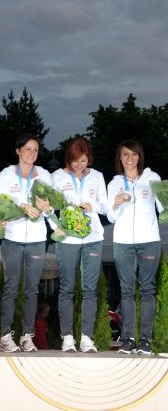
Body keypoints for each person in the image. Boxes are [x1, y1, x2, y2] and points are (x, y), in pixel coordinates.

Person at [48, 137, 106, 352]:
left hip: (93, 238)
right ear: (68, 160)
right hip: (68, 239)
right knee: (67, 288)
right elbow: (47, 207)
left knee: (90, 289)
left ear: (88, 158)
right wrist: (55, 227)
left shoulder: (98, 177)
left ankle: (87, 338)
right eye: (75, 161)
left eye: (83, 161)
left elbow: (106, 207)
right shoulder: (56, 177)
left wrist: (93, 206)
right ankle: (67, 338)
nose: (79, 166)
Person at [0, 133, 52, 352]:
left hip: (37, 240)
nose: (31, 153)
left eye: (35, 150)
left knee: (31, 290)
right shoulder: (6, 174)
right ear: (18, 150)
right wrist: (21, 206)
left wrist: (47, 209)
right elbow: (0, 205)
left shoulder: (45, 175)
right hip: (12, 237)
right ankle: (4, 336)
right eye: (27, 149)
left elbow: (50, 210)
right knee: (10, 288)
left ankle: (27, 336)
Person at [107, 140, 162, 355]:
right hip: (122, 242)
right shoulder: (114, 184)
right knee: (127, 291)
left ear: (140, 157)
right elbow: (111, 216)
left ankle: (145, 340)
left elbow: (163, 208)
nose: (129, 159)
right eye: (125, 155)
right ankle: (128, 338)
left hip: (149, 240)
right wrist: (117, 203)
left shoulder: (152, 179)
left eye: (133, 155)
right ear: (120, 159)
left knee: (147, 289)